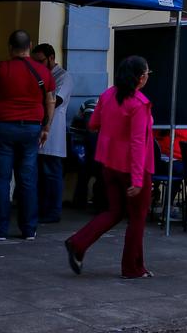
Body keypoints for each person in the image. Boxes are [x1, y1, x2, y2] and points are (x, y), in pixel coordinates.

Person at [65, 56, 154, 279]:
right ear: (141, 78)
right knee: (137, 218)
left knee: (114, 211)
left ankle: (78, 242)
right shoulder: (139, 104)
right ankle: (132, 267)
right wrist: (136, 179)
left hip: (109, 164)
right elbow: (137, 143)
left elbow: (93, 124)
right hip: (134, 168)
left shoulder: (107, 95)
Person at [0, 30, 56, 241]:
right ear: (30, 46)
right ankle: (29, 229)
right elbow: (50, 101)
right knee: (27, 179)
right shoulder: (44, 72)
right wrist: (46, 128)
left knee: (1, 179)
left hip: (3, 128)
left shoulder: (0, 69)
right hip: (31, 130)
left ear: (10, 47)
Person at [33, 43, 72, 225]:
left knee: (52, 174)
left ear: (51, 58)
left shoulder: (63, 76)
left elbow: (55, 101)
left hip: (53, 131)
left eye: (41, 61)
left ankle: (53, 211)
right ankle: (42, 209)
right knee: (41, 174)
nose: (38, 65)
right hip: (38, 130)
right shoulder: (40, 74)